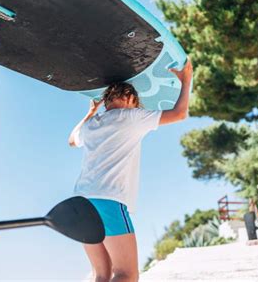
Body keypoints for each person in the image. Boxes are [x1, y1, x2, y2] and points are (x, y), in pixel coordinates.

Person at [68, 60, 193, 282]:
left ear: (106, 102)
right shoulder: (132, 117)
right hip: (108, 200)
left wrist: (90, 113)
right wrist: (186, 80)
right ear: (130, 99)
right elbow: (180, 113)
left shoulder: (91, 126)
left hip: (81, 203)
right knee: (127, 274)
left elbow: (72, 140)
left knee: (101, 274)